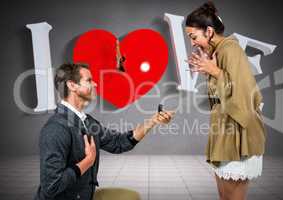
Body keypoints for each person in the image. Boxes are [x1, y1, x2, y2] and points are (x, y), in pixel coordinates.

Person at [34, 63, 174, 200]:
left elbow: (119, 143)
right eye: (89, 80)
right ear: (72, 85)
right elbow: (51, 187)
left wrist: (153, 121)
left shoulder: (87, 122)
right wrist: (87, 162)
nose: (95, 84)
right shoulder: (55, 128)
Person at [185, 1, 266, 200]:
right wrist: (209, 71)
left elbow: (244, 95)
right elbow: (223, 91)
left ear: (209, 31)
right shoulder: (217, 52)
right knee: (224, 197)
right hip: (225, 134)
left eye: (193, 37)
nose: (192, 43)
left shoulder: (230, 49)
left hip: (238, 136)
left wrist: (213, 71)